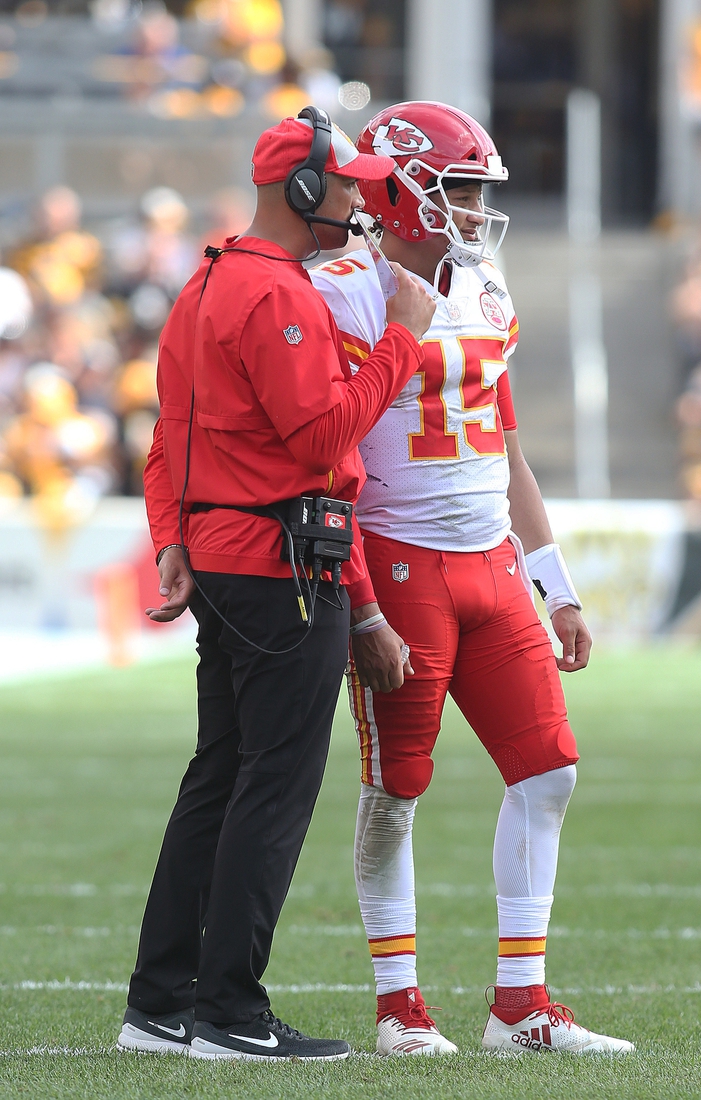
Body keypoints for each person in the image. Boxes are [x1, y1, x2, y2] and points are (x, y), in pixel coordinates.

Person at [310, 101, 635, 1057]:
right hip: (399, 561)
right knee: (397, 786)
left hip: (490, 562)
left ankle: (520, 1006)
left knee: (549, 772)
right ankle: (398, 1004)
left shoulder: (485, 287)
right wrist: (357, 596)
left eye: (474, 189)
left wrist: (557, 582)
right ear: (402, 188)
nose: (470, 206)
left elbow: (509, 448)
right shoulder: (341, 288)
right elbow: (328, 448)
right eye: (455, 185)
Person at [116, 106, 435, 1062]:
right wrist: (403, 342)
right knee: (273, 787)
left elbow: (170, 432)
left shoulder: (205, 280)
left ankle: (162, 1003)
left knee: (217, 777)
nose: (356, 199)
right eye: (344, 184)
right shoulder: (278, 293)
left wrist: (172, 537)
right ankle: (229, 1011)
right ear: (305, 189)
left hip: (225, 558)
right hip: (285, 567)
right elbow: (321, 437)